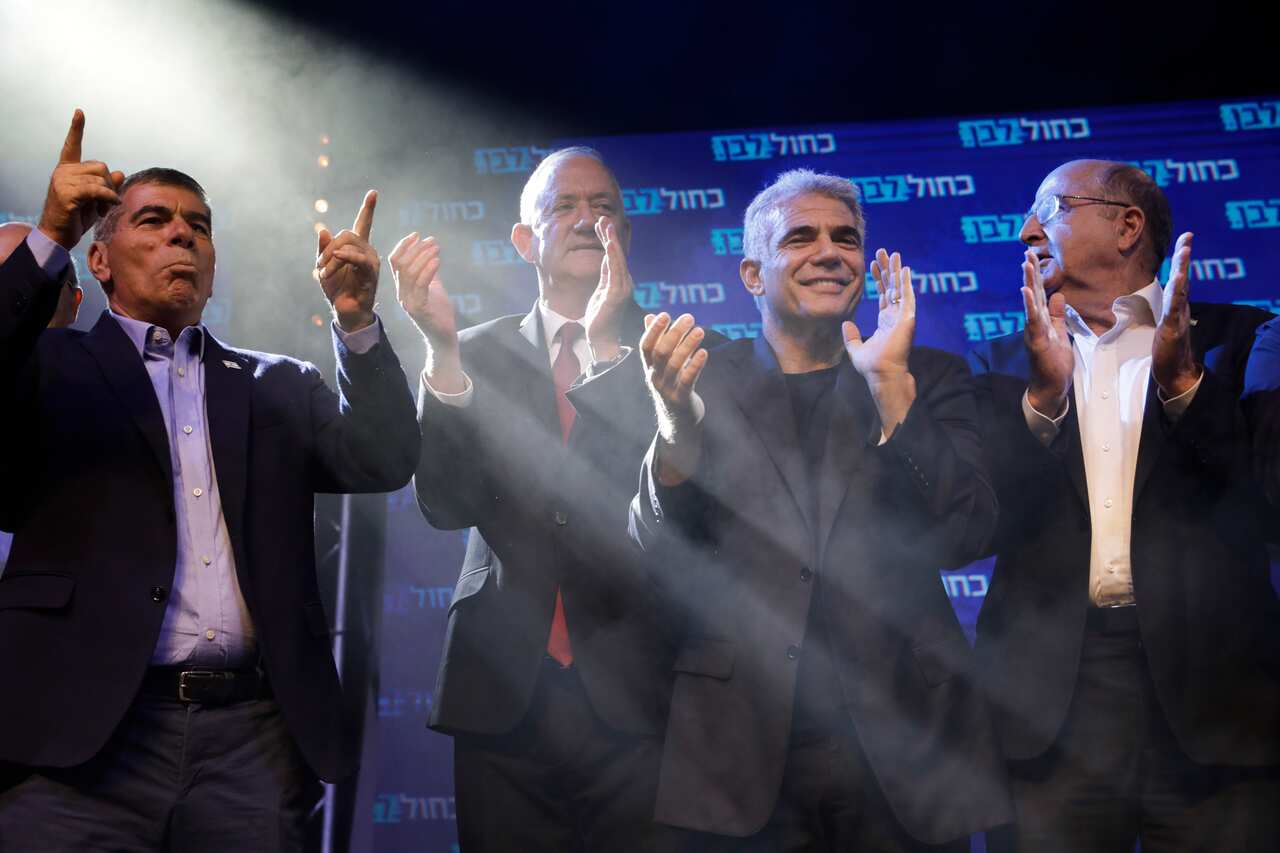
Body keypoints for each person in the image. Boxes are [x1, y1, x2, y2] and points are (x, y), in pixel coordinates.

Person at [0, 110, 420, 852]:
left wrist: (356, 321)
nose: (181, 234)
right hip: (82, 741)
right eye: (153, 220)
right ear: (100, 262)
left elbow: (383, 459)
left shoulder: (277, 382)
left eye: (198, 224)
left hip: (248, 743)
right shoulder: (51, 366)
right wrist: (48, 236)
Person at [629, 168, 1012, 851]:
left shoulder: (929, 375)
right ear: (752, 274)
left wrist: (893, 389)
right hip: (742, 749)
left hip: (907, 748)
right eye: (800, 237)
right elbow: (655, 549)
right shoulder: (694, 379)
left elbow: (967, 532)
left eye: (846, 238)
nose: (830, 251)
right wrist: (675, 431)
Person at [968, 159, 1280, 853]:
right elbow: (979, 520)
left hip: (1216, 705)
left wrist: (1184, 386)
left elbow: (1267, 503)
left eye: (1048, 209)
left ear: (1126, 226)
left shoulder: (1242, 340)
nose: (1024, 231)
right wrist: (1042, 403)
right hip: (1053, 709)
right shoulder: (1001, 360)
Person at [394, 147, 696, 851]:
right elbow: (442, 503)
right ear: (525, 241)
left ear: (628, 233)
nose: (588, 220)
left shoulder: (674, 351)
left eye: (605, 208)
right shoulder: (469, 350)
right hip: (502, 692)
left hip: (641, 692)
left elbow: (679, 514)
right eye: (565, 206)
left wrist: (608, 352)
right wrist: (440, 353)